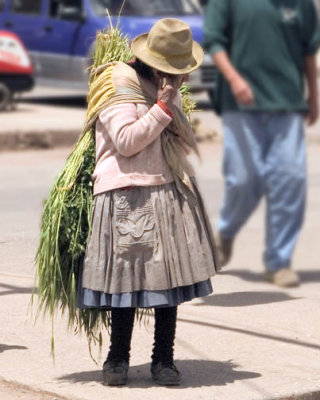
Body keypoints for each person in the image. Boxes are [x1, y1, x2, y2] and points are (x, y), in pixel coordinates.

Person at [77, 18, 219, 386]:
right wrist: (162, 107)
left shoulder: (160, 84)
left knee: (166, 283)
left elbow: (179, 138)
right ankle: (117, 358)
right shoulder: (117, 82)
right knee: (126, 282)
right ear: (153, 61)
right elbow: (125, 142)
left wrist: (168, 105)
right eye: (175, 70)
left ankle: (163, 360)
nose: (180, 77)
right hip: (126, 193)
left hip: (164, 187)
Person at [203, 0, 320, 287]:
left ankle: (279, 261)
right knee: (244, 179)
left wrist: (314, 96)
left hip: (287, 101)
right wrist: (234, 79)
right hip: (240, 104)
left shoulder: (301, 4)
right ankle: (226, 232)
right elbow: (215, 43)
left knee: (290, 179)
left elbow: (308, 51)